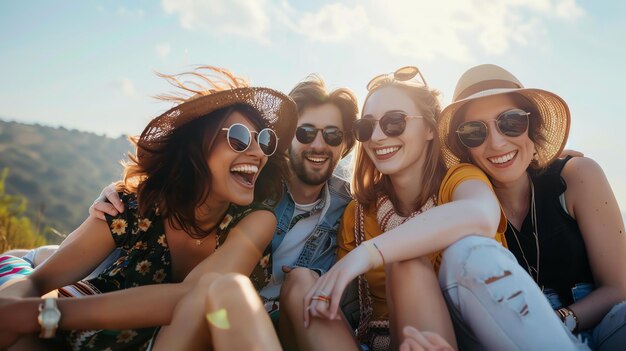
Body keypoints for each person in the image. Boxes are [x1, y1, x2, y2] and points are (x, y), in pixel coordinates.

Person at [0, 66, 297, 350]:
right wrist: (14, 310)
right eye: (240, 138)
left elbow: (192, 294)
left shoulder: (256, 221)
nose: (258, 152)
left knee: (225, 289)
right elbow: (40, 280)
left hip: (170, 341)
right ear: (197, 145)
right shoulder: (134, 207)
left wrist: (45, 312)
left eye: (265, 141)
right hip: (90, 337)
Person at [302, 66, 589, 351]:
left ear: (429, 128)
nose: (377, 137)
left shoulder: (459, 180)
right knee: (298, 284)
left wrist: (369, 254)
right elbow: (345, 308)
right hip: (386, 342)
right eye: (366, 127)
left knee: (407, 261)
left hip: (467, 334)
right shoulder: (358, 214)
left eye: (394, 122)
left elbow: (480, 214)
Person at [88, 74, 360, 349]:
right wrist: (126, 190)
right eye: (306, 133)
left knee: (302, 280)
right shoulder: (250, 184)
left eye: (333, 135)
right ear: (287, 140)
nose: (318, 145)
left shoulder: (351, 207)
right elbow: (191, 188)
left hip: (288, 326)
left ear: (345, 144)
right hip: (221, 318)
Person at [438, 64, 626, 350]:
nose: (497, 142)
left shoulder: (576, 177)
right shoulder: (465, 204)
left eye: (511, 122)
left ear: (532, 126)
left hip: (603, 326)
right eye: (474, 132)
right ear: (464, 146)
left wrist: (561, 321)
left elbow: (619, 288)